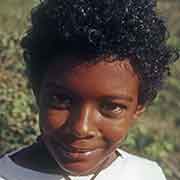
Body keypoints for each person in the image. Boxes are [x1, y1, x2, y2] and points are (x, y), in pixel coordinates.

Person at [0, 0, 179, 179]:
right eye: (61, 99)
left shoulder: (146, 174)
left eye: (111, 107)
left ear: (138, 108)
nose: (81, 128)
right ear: (37, 92)